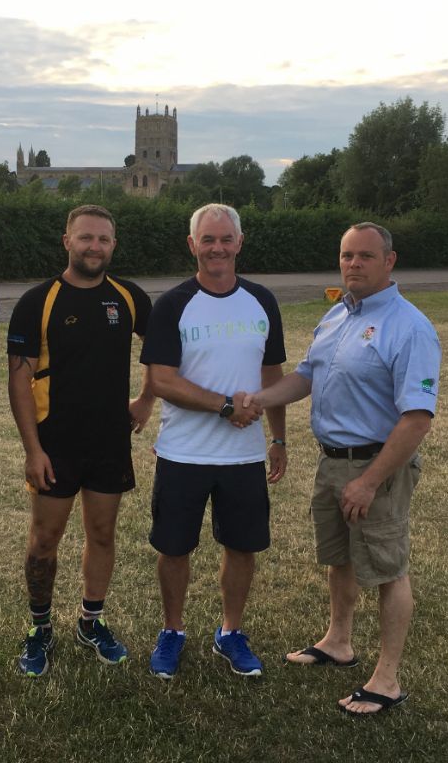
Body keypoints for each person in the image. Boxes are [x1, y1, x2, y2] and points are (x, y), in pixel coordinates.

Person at [243, 222, 441, 714]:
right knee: (341, 558)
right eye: (347, 255)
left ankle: (387, 680)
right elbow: (308, 375)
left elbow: (417, 419)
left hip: (378, 466)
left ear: (389, 262)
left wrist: (370, 482)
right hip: (333, 462)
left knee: (389, 570)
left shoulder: (409, 327)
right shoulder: (336, 315)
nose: (354, 264)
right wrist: (258, 399)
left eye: (366, 256)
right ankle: (339, 642)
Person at [139, 203, 287, 679]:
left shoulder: (262, 300)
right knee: (174, 548)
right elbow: (161, 380)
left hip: (243, 456)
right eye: (208, 239)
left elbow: (272, 372)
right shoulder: (173, 304)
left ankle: (230, 632)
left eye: (226, 239)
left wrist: (279, 438)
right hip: (183, 452)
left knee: (242, 547)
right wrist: (225, 405)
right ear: (192, 245)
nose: (217, 248)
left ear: (239, 243)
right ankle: (173, 631)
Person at [7, 204, 153, 677]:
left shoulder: (129, 298)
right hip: (55, 444)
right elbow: (19, 379)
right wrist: (33, 450)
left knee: (102, 534)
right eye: (86, 238)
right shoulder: (38, 300)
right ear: (66, 240)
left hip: (109, 442)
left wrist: (146, 399)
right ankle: (40, 628)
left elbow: (163, 354)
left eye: (104, 239)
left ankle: (91, 621)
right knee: (45, 538)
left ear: (114, 245)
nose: (95, 247)